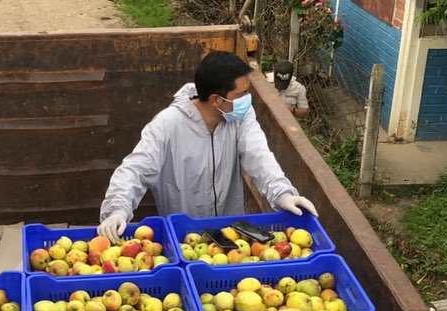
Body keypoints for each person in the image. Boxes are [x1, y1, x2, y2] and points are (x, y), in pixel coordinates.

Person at [97, 50, 317, 242]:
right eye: (241, 95)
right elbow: (134, 170)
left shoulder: (240, 117)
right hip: (185, 238)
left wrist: (283, 194)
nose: (247, 100)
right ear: (216, 100)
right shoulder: (167, 125)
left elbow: (260, 156)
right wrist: (117, 210)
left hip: (232, 236)